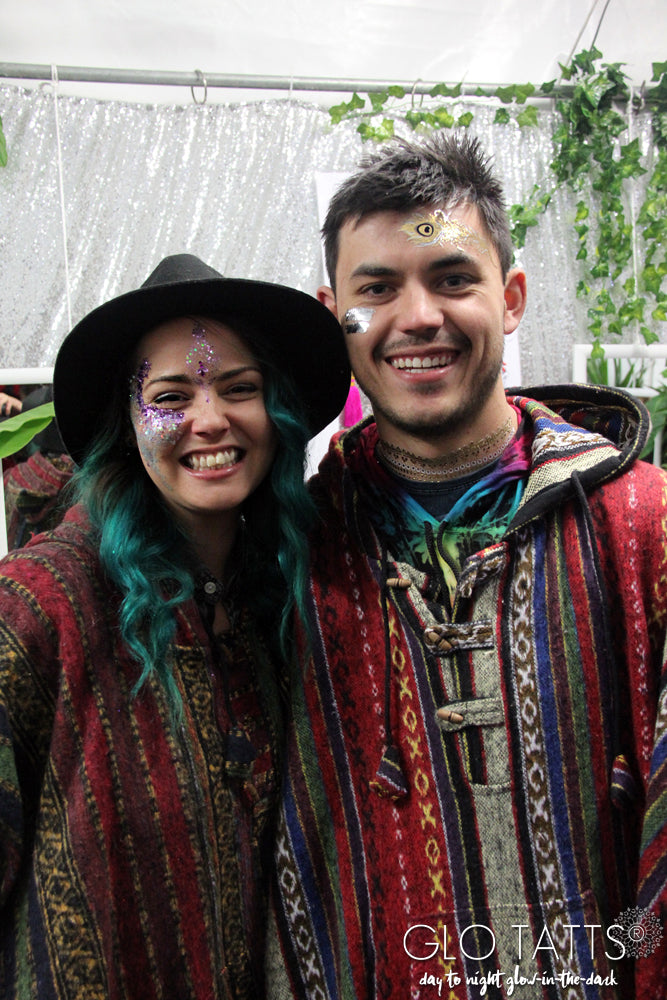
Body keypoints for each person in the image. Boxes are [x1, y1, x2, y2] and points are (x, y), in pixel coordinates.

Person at [266, 135, 667, 999]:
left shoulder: (642, 528)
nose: (417, 317)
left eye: (452, 278)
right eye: (377, 288)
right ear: (333, 313)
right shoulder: (291, 555)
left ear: (511, 296)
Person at [0, 253, 350, 1000]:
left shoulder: (285, 600)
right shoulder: (37, 608)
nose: (210, 419)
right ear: (127, 426)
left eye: (239, 387)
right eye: (169, 395)